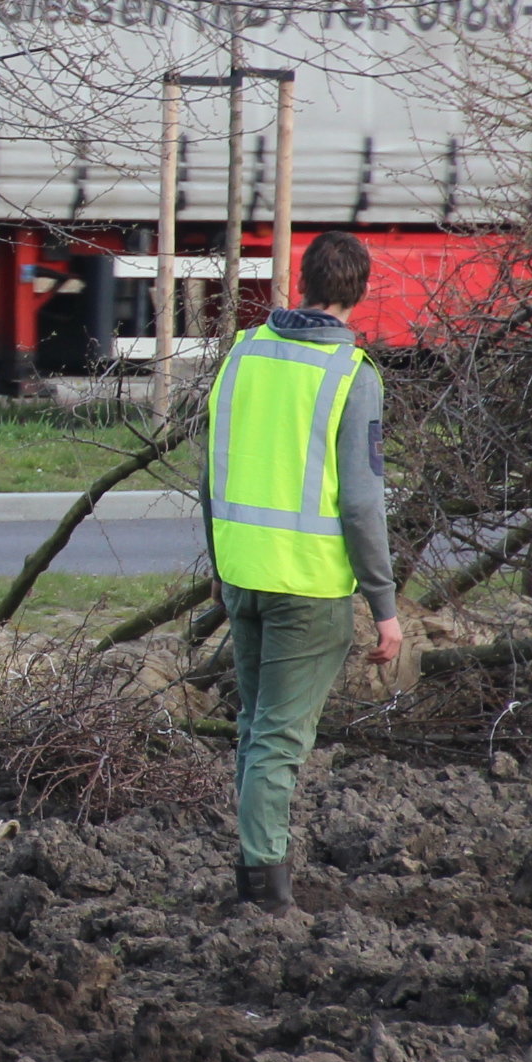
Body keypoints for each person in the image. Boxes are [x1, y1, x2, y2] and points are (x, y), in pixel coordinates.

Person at [207, 225, 399, 911]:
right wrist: (385, 606)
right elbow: (361, 503)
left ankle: (254, 876)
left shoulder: (244, 353)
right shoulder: (353, 375)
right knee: (280, 741)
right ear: (360, 295)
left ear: (300, 284)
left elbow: (213, 470)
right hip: (309, 587)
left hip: (243, 573)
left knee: (256, 731)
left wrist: (220, 564)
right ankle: (266, 885)